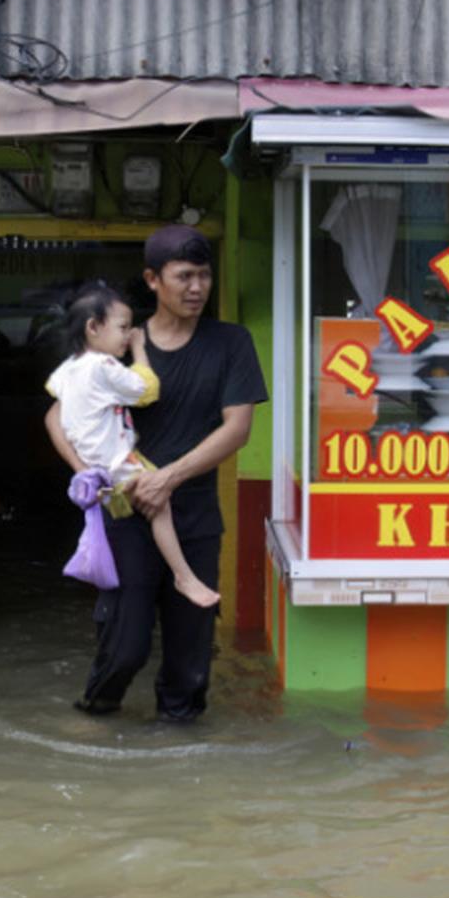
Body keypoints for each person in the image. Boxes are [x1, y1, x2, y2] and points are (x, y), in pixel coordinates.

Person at [44, 225, 266, 722]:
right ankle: (96, 726)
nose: (197, 287)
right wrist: (89, 474)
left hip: (195, 518)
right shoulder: (120, 341)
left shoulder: (230, 343)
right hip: (124, 520)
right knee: (124, 649)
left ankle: (182, 766)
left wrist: (167, 478)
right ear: (152, 279)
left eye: (204, 276)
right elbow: (57, 417)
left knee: (191, 666)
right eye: (184, 275)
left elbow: (239, 429)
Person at [45, 282, 220, 609]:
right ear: (93, 327)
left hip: (93, 467)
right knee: (160, 504)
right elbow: (147, 389)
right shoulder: (103, 366)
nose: (128, 334)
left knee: (125, 522)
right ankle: (184, 576)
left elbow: (55, 403)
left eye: (130, 330)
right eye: (123, 328)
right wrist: (140, 349)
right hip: (117, 463)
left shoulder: (67, 369)